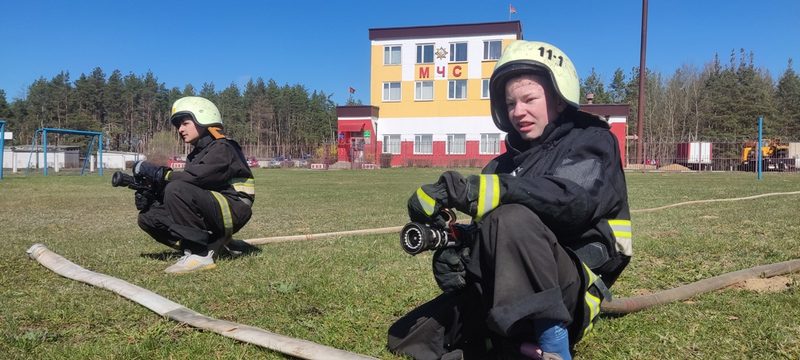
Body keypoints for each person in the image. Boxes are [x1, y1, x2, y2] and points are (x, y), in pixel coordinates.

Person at [388, 40, 632, 360]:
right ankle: (505, 344)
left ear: (558, 99)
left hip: (568, 292)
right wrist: (459, 253)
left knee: (511, 218)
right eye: (511, 103)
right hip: (510, 293)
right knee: (408, 337)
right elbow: (491, 238)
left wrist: (494, 191)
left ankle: (553, 347)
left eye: (529, 99)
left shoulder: (591, 142)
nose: (518, 111)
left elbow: (573, 203)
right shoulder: (502, 166)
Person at [135, 96, 256, 274]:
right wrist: (153, 197)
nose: (180, 129)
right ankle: (213, 244)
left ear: (204, 118)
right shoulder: (196, 155)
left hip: (234, 208)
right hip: (213, 207)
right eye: (178, 126)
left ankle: (199, 254)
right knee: (148, 217)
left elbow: (196, 179)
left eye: (185, 123)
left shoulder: (223, 147)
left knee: (177, 188)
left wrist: (163, 175)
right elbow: (191, 190)